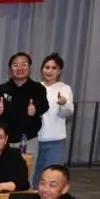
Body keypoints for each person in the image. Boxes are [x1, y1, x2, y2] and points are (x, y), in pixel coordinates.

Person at [0, 52, 50, 158]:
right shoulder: (2, 89)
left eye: (24, 64)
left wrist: (36, 109)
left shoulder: (38, 88)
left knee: (27, 168)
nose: (19, 68)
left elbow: (45, 105)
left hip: (28, 140)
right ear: (10, 69)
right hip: (5, 141)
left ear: (29, 68)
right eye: (15, 65)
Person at [36, 53, 75, 188]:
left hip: (55, 140)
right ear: (42, 69)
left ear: (59, 71)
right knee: (34, 176)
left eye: (54, 68)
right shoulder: (36, 87)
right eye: (47, 67)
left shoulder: (64, 88)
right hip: (34, 139)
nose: (50, 71)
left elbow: (67, 113)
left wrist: (63, 103)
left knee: (51, 178)